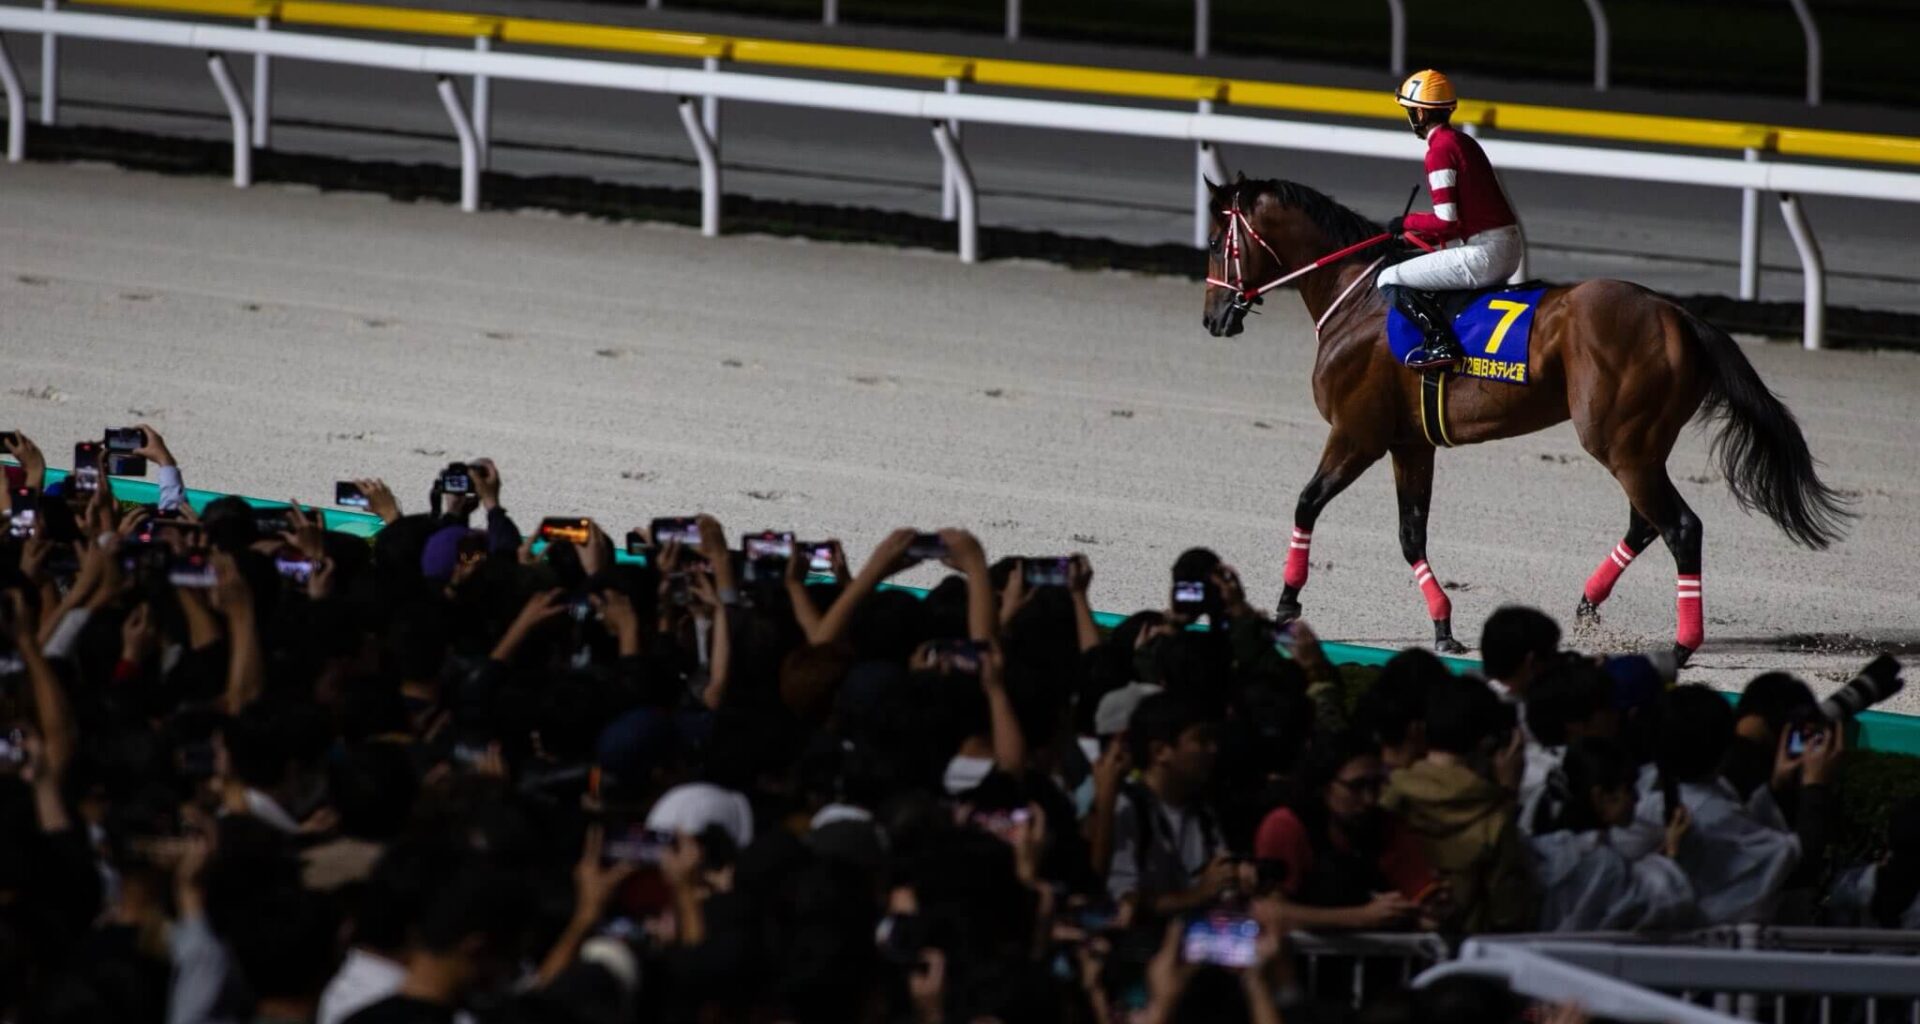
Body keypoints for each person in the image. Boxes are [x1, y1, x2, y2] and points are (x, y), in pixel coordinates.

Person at [1613, 685, 1802, 925]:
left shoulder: (1633, 789)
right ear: (1725, 749)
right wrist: (1816, 785)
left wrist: (1777, 787)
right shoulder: (1710, 810)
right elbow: (1790, 858)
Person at [1376, 69, 1524, 370]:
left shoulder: (1439, 151)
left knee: (1389, 278)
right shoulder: (1461, 141)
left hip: (1486, 253)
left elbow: (1446, 221)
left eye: (1409, 111)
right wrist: (1413, 237)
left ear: (1419, 113)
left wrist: (1406, 222)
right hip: (1501, 245)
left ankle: (1440, 342)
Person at [1380, 675, 1534, 932]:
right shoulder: (1495, 819)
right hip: (1462, 956)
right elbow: (1508, 913)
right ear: (1488, 742)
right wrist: (1508, 794)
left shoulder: (1387, 795)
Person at [1253, 731, 1440, 930]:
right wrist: (1362, 917)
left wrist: (1434, 907)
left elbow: (1421, 895)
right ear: (1324, 785)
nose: (1369, 799)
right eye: (1356, 787)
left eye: (1376, 786)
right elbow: (1269, 911)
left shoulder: (1386, 825)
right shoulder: (1286, 825)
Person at [1528, 738, 1696, 931]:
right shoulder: (1603, 865)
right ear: (1600, 798)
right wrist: (1672, 851)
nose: (1637, 797)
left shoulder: (1558, 844)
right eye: (1629, 789)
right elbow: (1657, 906)